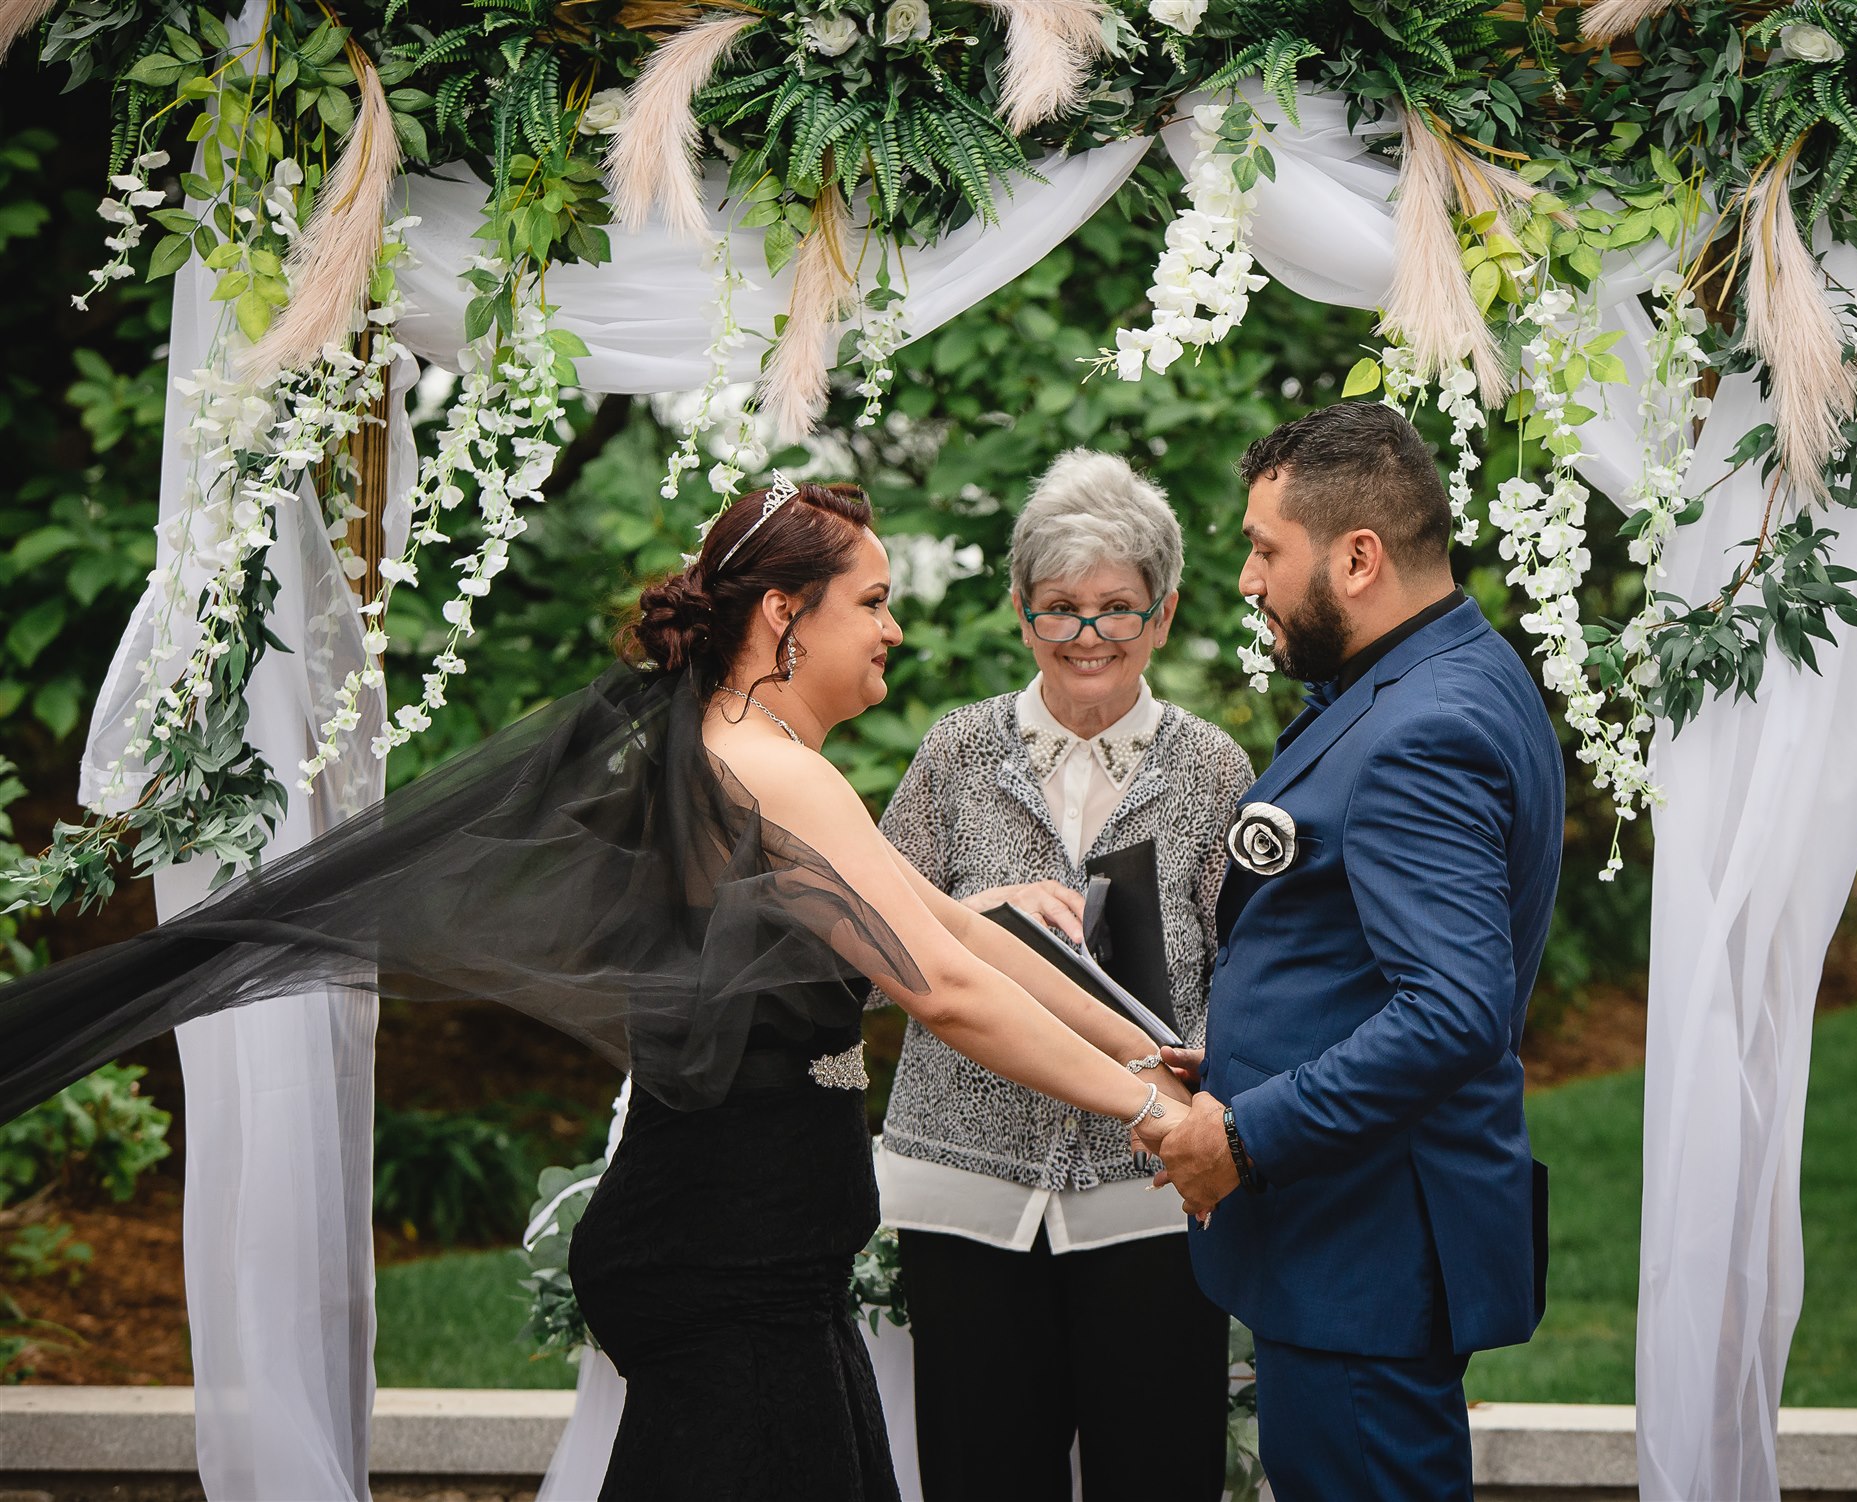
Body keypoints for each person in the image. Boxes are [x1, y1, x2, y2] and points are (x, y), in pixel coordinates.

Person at [0, 480, 1191, 1502]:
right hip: (730, 1263)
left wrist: (1151, 1050)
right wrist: (1149, 1113)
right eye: (871, 601)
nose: (893, 628)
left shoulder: (741, 753)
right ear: (785, 613)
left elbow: (956, 929)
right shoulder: (767, 767)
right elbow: (945, 989)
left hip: (757, 1260)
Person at [1149, 404, 1565, 1501]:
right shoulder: (1447, 670)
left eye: (1265, 549)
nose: (1248, 579)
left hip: (1362, 1251)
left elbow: (1453, 1012)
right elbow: (1353, 958)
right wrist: (1234, 1060)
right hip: (1353, 1241)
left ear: (1358, 557)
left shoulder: (1423, 730)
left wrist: (1245, 1132)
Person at [873, 451, 1251, 1501]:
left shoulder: (1213, 768)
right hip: (966, 1187)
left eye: (1117, 608)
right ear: (1020, 610)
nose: (1088, 635)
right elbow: (863, 955)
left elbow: (1249, 965)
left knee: (1158, 1474)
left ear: (1162, 614)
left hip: (1148, 1190)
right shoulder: (954, 754)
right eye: (1060, 607)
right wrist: (976, 914)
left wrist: (1208, 1075)